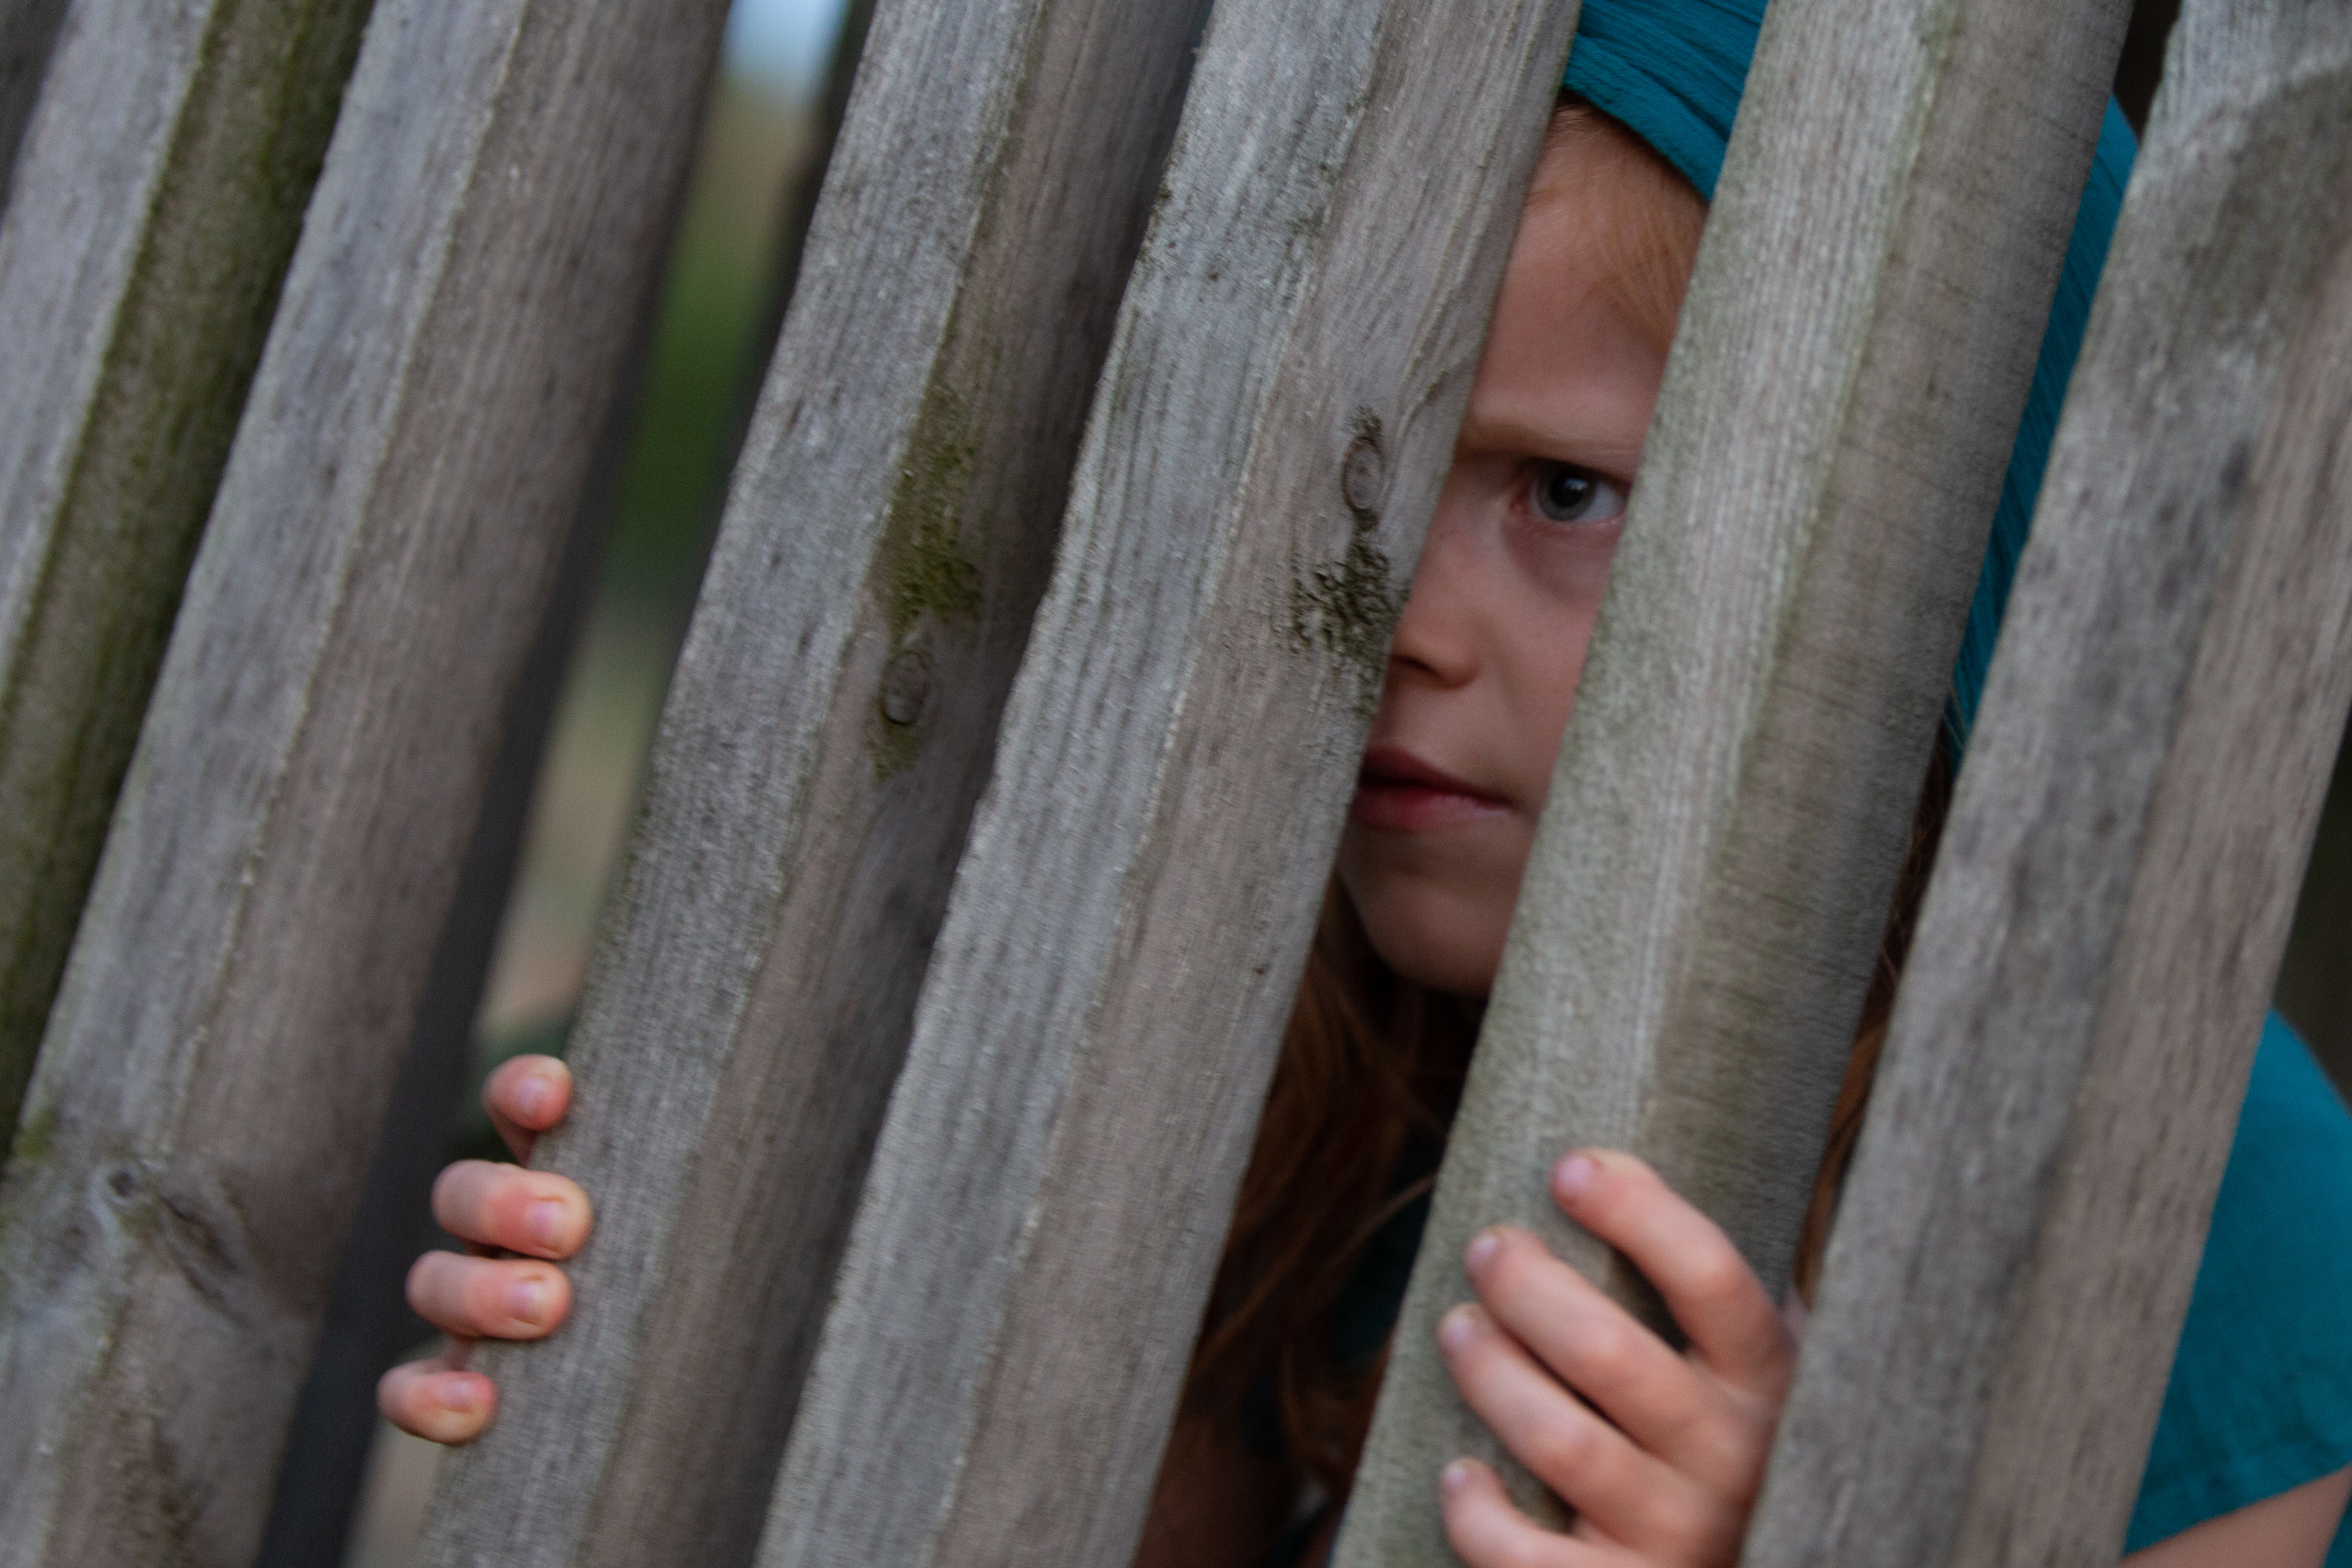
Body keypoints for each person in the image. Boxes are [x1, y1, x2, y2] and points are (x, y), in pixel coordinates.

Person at [380, 2, 2352, 1563]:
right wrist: (683, 1327)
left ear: (1944, 558)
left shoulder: (2223, 1216)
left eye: (1564, 492)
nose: (1401, 618)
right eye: (1373, 484)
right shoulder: (1310, 1049)